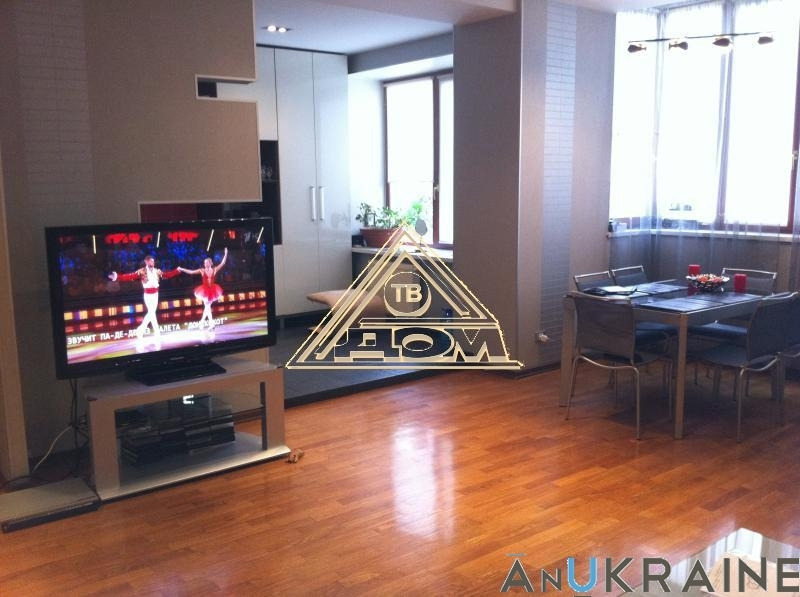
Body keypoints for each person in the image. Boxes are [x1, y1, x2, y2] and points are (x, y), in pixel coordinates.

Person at [108, 255, 181, 339]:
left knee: (152, 313)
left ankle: (148, 331)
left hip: (156, 294)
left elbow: (167, 275)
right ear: (146, 262)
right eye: (151, 261)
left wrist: (176, 271)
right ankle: (149, 331)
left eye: (153, 261)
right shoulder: (142, 271)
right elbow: (129, 276)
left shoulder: (157, 271)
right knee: (151, 312)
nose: (153, 262)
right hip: (148, 295)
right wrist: (117, 276)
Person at [178, 248, 228, 330]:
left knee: (207, 307)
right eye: (204, 263)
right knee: (207, 307)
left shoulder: (214, 269)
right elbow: (191, 272)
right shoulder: (202, 270)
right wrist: (182, 269)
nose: (205, 264)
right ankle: (208, 324)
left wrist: (225, 253)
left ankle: (203, 323)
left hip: (212, 290)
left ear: (210, 263)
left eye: (206, 262)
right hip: (204, 291)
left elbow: (223, 263)